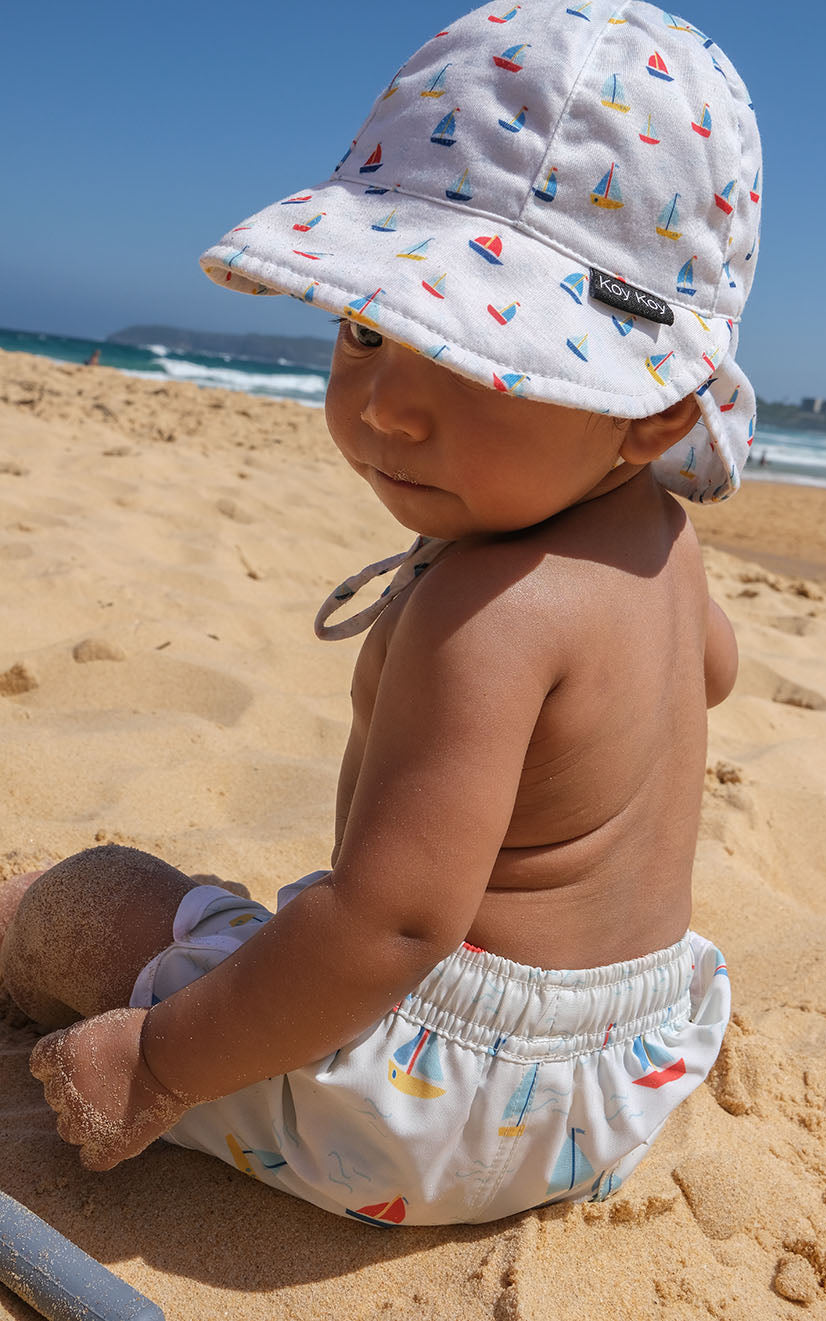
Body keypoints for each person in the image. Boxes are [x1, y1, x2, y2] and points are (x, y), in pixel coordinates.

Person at [0, 0, 761, 1226]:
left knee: (100, 899)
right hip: (627, 1069)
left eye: (471, 362)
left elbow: (394, 927)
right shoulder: (662, 542)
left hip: (431, 1111)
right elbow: (708, 672)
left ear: (652, 413)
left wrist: (158, 1065)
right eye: (366, 331)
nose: (384, 409)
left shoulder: (487, 613)